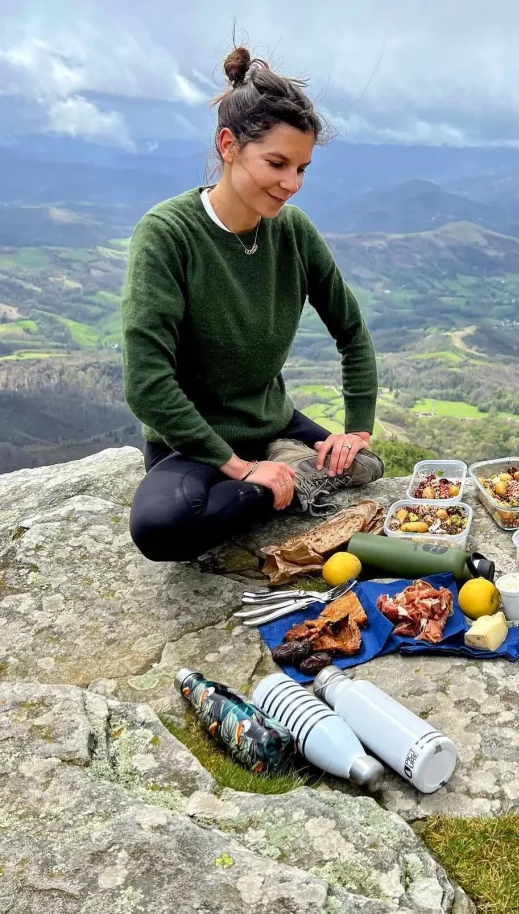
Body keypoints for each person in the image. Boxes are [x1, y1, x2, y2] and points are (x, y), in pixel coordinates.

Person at [121, 45, 383, 563]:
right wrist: (243, 470)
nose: (292, 185)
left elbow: (351, 332)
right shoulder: (167, 235)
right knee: (160, 528)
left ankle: (290, 464)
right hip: (194, 442)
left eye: (302, 168)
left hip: (272, 421)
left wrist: (355, 430)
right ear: (229, 146)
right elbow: (147, 384)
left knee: (366, 465)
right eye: (277, 163)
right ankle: (289, 477)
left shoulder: (292, 232)